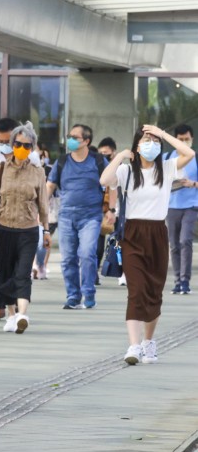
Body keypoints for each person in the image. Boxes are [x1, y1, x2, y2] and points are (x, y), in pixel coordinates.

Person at [99, 125, 195, 364]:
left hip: (157, 234)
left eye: (154, 141)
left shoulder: (167, 168)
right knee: (136, 290)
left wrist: (162, 134)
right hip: (132, 233)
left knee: (154, 291)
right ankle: (133, 346)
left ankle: (148, 342)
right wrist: (121, 155)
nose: (150, 143)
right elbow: (104, 179)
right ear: (137, 145)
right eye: (146, 139)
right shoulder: (126, 171)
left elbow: (189, 153)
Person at [0, 121, 48, 334]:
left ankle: (22, 314)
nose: (23, 149)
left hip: (28, 229)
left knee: (22, 273)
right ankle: (11, 314)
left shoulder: (37, 172)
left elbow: (43, 205)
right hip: (3, 229)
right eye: (19, 144)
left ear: (33, 148)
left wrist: (46, 230)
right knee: (5, 272)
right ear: (12, 144)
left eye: (28, 146)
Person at [46, 123, 113, 309]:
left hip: (91, 216)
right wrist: (39, 208)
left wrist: (111, 209)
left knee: (87, 254)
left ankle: (89, 293)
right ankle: (73, 296)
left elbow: (112, 183)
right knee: (67, 259)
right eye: (70, 136)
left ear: (86, 141)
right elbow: (49, 187)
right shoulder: (61, 162)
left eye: (75, 137)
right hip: (66, 216)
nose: (71, 140)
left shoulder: (98, 161)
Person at [0, 116, 29, 321]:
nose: (3, 145)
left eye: (6, 142)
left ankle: (18, 304)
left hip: (23, 220)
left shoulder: (30, 158)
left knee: (20, 266)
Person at [166, 124, 197, 295]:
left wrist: (193, 184)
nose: (184, 142)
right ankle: (177, 280)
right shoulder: (167, 157)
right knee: (174, 244)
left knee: (185, 240)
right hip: (171, 205)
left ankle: (185, 280)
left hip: (191, 205)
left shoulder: (196, 158)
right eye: (181, 139)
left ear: (192, 139)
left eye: (187, 139)